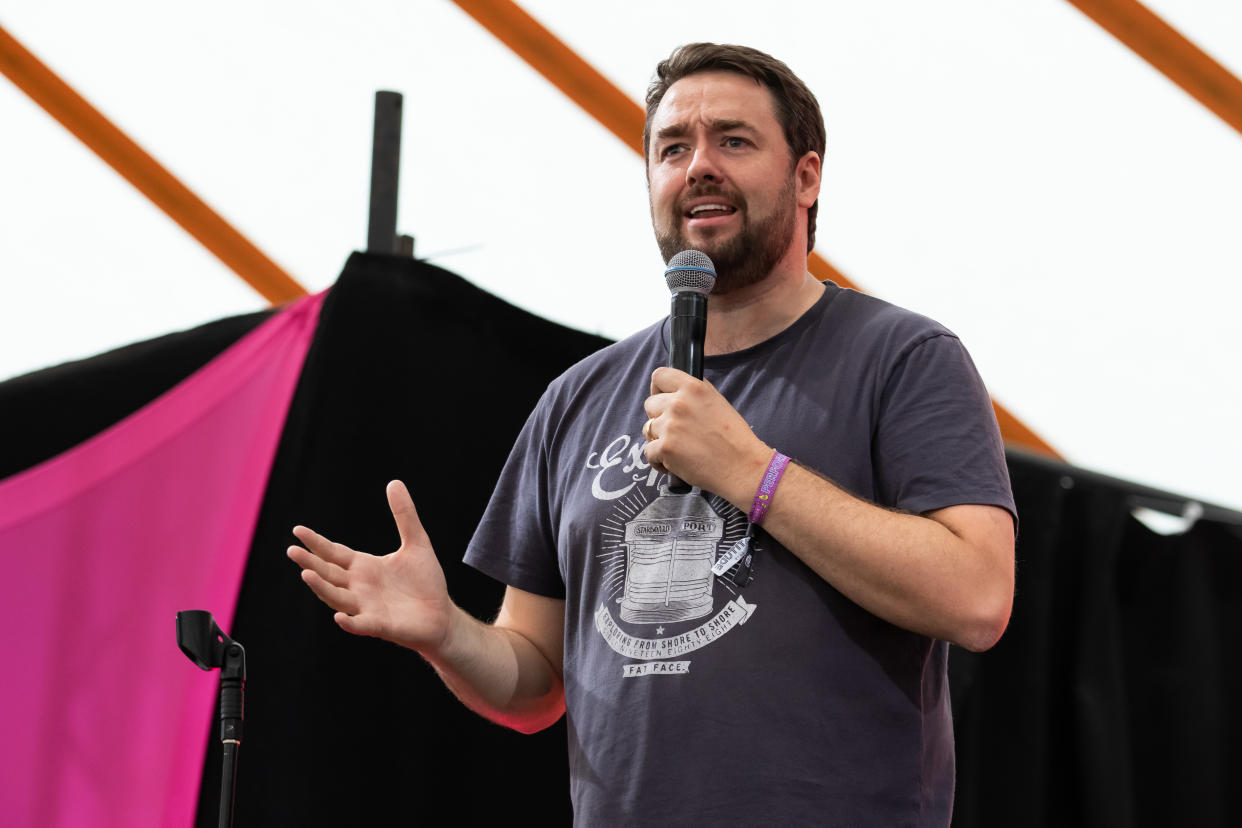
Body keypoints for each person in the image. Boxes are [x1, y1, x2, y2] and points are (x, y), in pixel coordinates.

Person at [288, 43, 1016, 826]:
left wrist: (752, 473)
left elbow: (976, 596)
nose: (699, 165)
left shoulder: (902, 358)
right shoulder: (578, 397)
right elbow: (535, 684)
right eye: (673, 148)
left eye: (733, 141)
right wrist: (446, 635)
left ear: (806, 177)